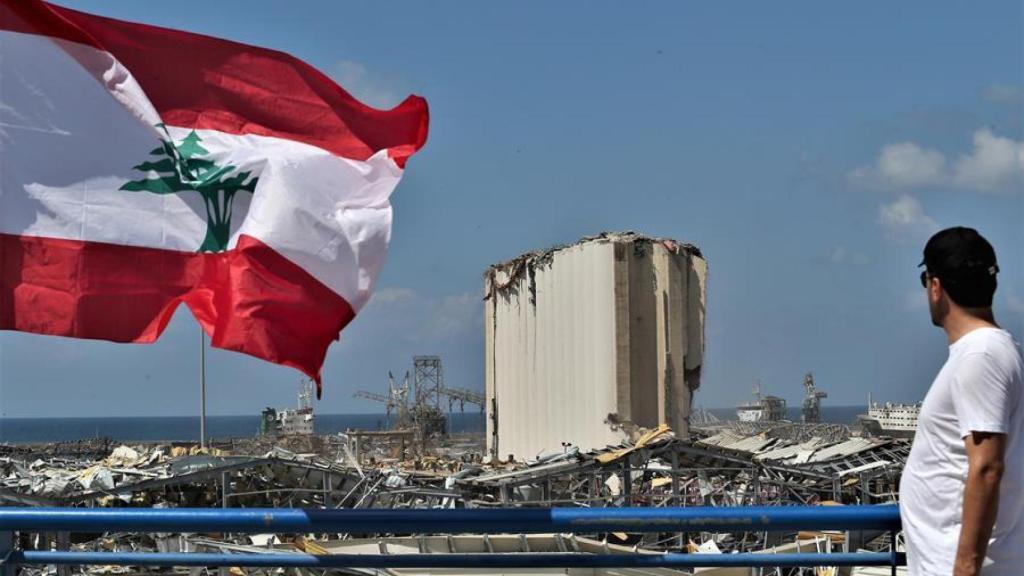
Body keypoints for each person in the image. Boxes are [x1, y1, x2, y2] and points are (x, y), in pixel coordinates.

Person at [900, 227, 1023, 576]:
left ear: (935, 286)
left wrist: (965, 568)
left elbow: (987, 467)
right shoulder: (991, 351)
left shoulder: (980, 356)